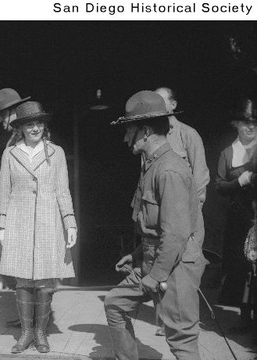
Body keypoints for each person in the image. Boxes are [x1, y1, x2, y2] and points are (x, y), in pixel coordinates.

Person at [105, 91, 206, 360]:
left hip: (175, 266)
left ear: (146, 131)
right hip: (154, 258)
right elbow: (156, 227)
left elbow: (175, 234)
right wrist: (137, 255)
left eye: (129, 130)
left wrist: (155, 276)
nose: (126, 138)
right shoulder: (152, 165)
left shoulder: (169, 170)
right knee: (115, 304)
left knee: (181, 339)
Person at [0, 101, 77, 354]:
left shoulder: (57, 153)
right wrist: (2, 224)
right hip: (18, 222)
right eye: (29, 124)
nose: (35, 128)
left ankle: (41, 333)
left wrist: (70, 222)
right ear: (20, 128)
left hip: (48, 221)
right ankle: (26, 332)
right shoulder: (10, 154)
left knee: (44, 282)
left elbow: (62, 190)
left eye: (39, 123)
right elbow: (4, 192)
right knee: (22, 280)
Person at [153, 86, 210, 336]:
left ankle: (187, 327)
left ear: (173, 105)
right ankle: (165, 321)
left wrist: (186, 217)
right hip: (161, 220)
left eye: (161, 101)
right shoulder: (153, 136)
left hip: (186, 219)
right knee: (162, 267)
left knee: (185, 274)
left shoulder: (188, 135)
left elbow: (200, 179)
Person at [215, 97, 257, 332]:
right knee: (241, 268)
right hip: (239, 220)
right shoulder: (228, 153)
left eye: (254, 123)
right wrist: (240, 181)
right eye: (244, 123)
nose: (250, 127)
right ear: (236, 125)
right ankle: (244, 317)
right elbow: (219, 186)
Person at [0, 88, 31, 291]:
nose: (0, 120)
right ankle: (26, 315)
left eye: (2, 115)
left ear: (13, 112)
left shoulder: (27, 135)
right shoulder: (15, 137)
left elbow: (33, 170)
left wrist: (3, 176)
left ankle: (33, 318)